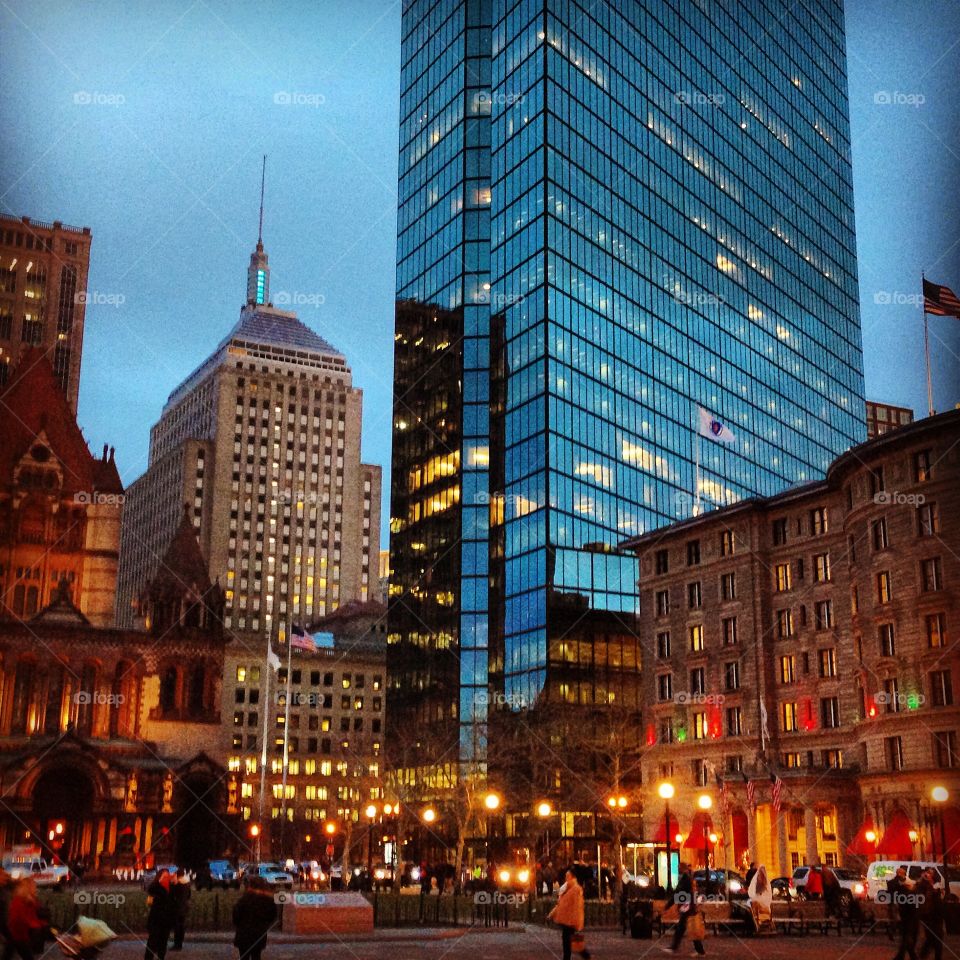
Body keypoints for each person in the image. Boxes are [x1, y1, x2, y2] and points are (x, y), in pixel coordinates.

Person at [663, 862, 705, 956]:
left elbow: (678, 893)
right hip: (689, 905)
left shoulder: (685, 878)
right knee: (687, 927)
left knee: (683, 927)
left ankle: (675, 947)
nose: (678, 869)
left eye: (679, 867)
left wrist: (668, 905)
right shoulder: (689, 877)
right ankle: (699, 950)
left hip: (687, 906)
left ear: (682, 868)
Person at [548, 868, 591, 960]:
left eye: (568, 876)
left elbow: (577, 906)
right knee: (569, 941)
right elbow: (561, 904)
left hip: (570, 921)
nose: (566, 877)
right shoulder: (568, 888)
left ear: (572, 876)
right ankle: (583, 955)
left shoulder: (575, 889)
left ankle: (584, 955)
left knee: (569, 941)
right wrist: (552, 914)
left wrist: (576, 922)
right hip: (566, 920)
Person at [233, 876, 278, 960]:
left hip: (244, 932)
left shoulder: (244, 899)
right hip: (259, 933)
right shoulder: (268, 900)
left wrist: (240, 924)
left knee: (244, 956)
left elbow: (236, 916)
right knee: (256, 956)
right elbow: (272, 915)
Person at [3, 879, 48, 960]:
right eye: (33, 887)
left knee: (8, 954)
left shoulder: (31, 900)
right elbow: (18, 918)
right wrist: (37, 924)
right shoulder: (18, 900)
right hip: (18, 935)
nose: (35, 889)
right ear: (27, 888)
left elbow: (35, 915)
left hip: (20, 935)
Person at [888, 865, 918, 960]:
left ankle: (902, 956)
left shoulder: (908, 883)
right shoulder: (895, 883)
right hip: (903, 912)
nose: (901, 874)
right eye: (899, 873)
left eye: (902, 873)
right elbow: (892, 892)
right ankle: (909, 956)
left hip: (907, 912)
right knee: (907, 935)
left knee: (907, 936)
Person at [144, 867, 174, 960]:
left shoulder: (172, 887)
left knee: (163, 941)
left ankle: (161, 957)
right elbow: (151, 891)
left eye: (167, 876)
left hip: (167, 919)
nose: (165, 878)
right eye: (163, 876)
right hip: (156, 918)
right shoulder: (155, 887)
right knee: (152, 941)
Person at [916, 868, 944, 960]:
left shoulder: (936, 884)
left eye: (931, 873)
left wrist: (931, 883)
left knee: (937, 938)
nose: (928, 875)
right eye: (928, 872)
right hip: (927, 915)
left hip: (936, 915)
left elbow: (937, 894)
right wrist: (922, 880)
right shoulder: (922, 885)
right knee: (931, 938)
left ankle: (928, 955)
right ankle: (923, 954)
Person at [170, 868, 191, 951]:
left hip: (177, 907)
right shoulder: (187, 883)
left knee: (177, 927)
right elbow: (189, 895)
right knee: (181, 927)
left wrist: (172, 883)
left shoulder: (178, 884)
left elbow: (172, 894)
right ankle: (180, 943)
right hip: (184, 907)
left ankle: (177, 945)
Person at [748, 865, 772, 930]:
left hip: (761, 909)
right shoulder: (767, 883)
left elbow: (757, 894)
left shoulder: (761, 883)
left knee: (750, 907)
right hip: (767, 909)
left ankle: (754, 926)